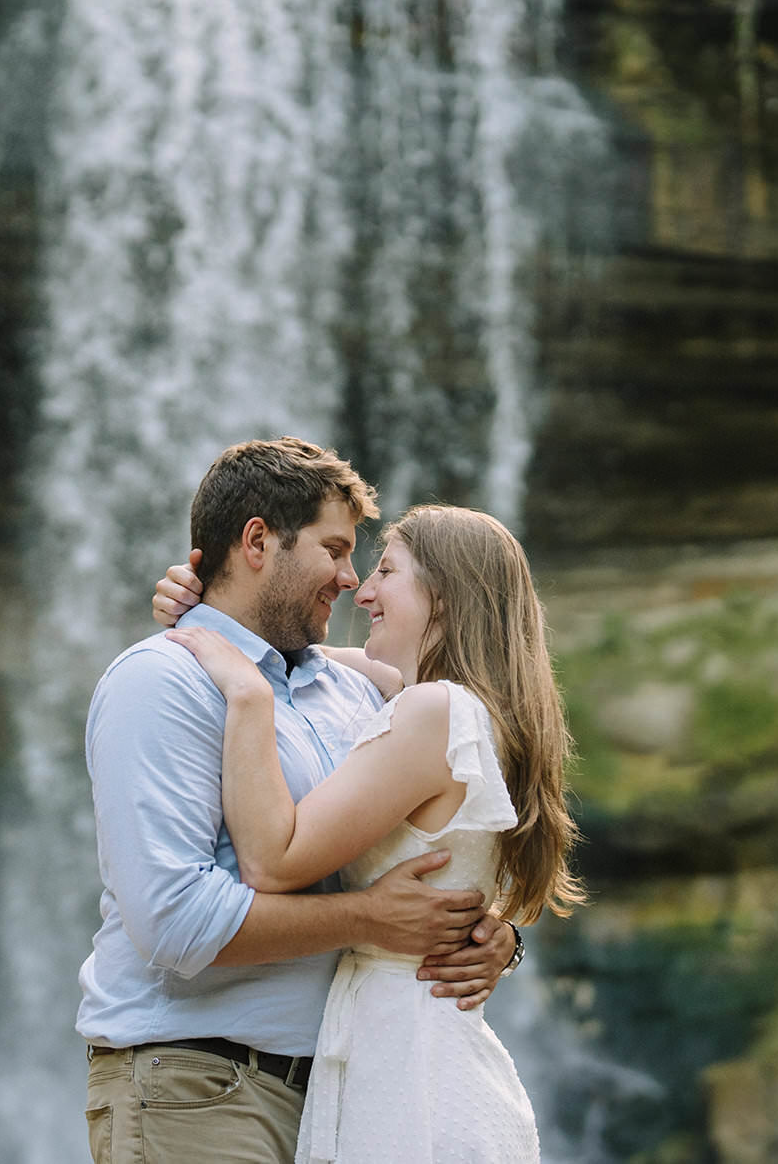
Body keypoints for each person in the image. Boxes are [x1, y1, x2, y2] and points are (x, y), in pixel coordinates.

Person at [78, 438, 520, 1164]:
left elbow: (443, 812)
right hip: (199, 1086)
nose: (352, 580)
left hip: (340, 1099)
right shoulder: (160, 682)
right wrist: (370, 918)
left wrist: (487, 934)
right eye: (337, 549)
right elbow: (173, 924)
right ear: (257, 540)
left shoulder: (349, 689)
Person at [155, 501, 584, 1164]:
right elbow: (324, 658)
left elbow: (271, 862)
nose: (364, 588)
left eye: (387, 569)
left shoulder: (432, 711)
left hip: (407, 1079)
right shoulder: (479, 712)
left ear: (442, 596)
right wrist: (210, 612)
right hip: (430, 1060)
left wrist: (248, 695)